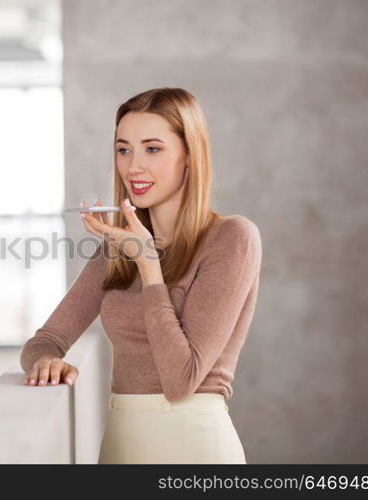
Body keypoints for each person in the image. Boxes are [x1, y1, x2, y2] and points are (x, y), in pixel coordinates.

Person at [19, 87, 262, 464]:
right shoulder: (117, 250)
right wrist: (46, 362)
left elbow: (181, 379)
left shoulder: (232, 238)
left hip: (195, 445)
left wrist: (149, 265)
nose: (134, 167)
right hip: (121, 443)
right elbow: (46, 340)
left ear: (189, 157)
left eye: (153, 148)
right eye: (123, 149)